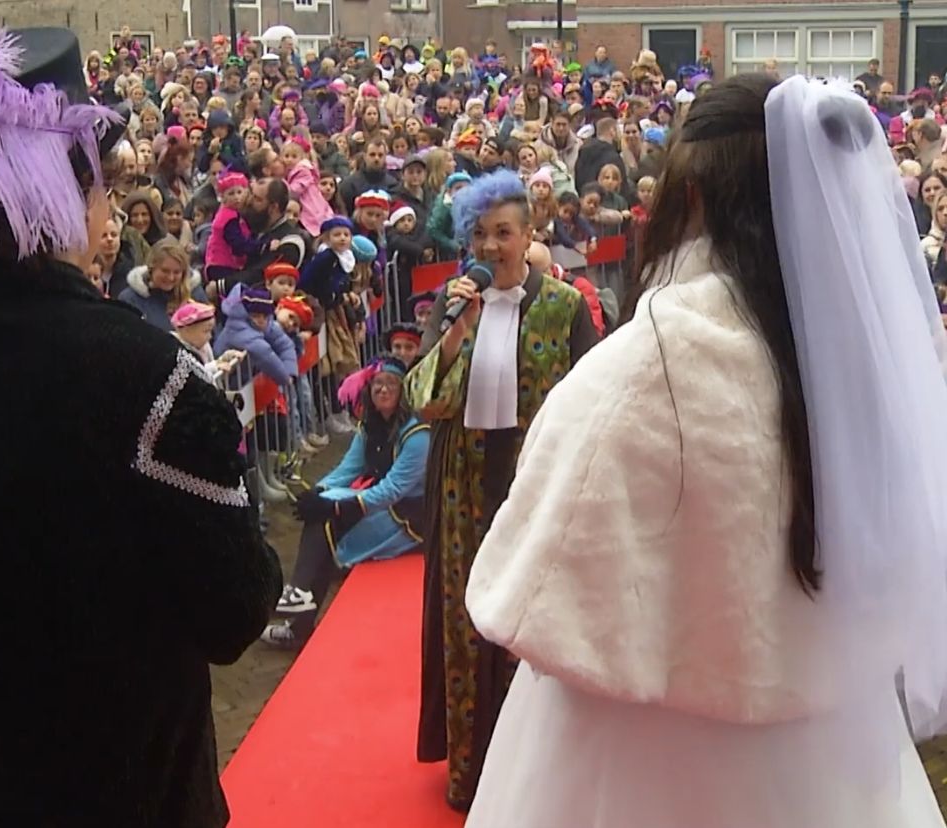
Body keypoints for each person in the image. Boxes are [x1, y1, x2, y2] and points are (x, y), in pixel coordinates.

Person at [462, 74, 947, 828]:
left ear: (687, 202)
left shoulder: (637, 371)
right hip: (826, 753)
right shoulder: (861, 378)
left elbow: (530, 582)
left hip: (632, 762)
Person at [0, 28, 281, 828]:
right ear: (66, 194)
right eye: (103, 188)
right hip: (137, 795)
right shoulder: (143, 370)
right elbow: (238, 611)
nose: (109, 210)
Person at [409, 169, 600, 811]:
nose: (492, 247)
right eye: (481, 235)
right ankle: (472, 774)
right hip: (464, 480)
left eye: (504, 233)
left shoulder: (566, 304)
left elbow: (591, 401)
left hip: (536, 480)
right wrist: (455, 328)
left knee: (532, 625)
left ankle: (537, 780)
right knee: (469, 630)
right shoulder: (453, 302)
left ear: (528, 236)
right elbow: (424, 402)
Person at [262, 354, 430, 650]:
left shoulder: (418, 435)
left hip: (411, 518)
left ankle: (299, 608)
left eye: (391, 384)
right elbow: (348, 469)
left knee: (329, 520)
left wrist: (336, 505)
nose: (383, 390)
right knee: (324, 518)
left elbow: (394, 489)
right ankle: (299, 607)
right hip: (384, 505)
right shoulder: (369, 425)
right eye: (378, 383)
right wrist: (317, 491)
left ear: (404, 391)